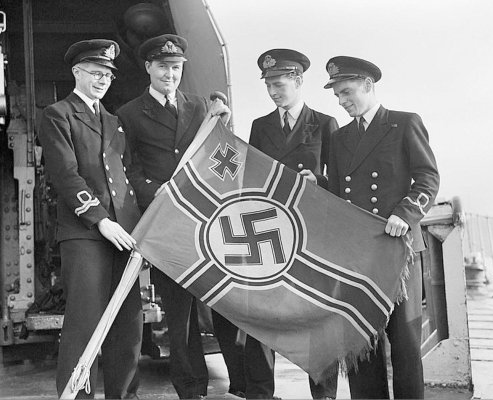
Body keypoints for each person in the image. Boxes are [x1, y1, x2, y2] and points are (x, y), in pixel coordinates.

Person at [116, 34, 230, 400]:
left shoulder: (200, 108)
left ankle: (246, 383)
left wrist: (223, 123)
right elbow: (127, 168)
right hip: (166, 221)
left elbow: (219, 156)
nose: (170, 73)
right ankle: (191, 388)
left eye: (176, 67)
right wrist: (157, 190)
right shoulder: (129, 113)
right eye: (163, 66)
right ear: (148, 67)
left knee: (223, 303)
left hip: (203, 222)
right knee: (179, 314)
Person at [321, 56, 440, 399]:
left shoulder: (403, 123)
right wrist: (317, 182)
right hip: (358, 256)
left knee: (404, 347)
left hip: (399, 251)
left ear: (368, 86)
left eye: (346, 92)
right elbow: (338, 193)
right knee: (362, 347)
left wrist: (406, 213)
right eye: (337, 96)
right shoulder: (339, 138)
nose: (342, 102)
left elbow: (427, 177)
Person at [38, 39, 142, 398]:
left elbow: (123, 177)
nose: (102, 80)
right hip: (86, 233)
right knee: (85, 323)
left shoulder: (113, 121)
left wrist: (137, 225)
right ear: (76, 73)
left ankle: (123, 394)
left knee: (128, 324)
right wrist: (101, 220)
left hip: (124, 235)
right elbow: (66, 175)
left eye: (107, 75)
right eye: (95, 73)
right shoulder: (57, 114)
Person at [246, 48, 340, 400]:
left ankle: (324, 393)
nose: (273, 91)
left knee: (316, 314)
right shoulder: (260, 127)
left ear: (298, 81)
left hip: (310, 232)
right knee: (260, 312)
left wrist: (318, 180)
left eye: (279, 83)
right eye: (268, 85)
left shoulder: (326, 124)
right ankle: (259, 393)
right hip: (268, 230)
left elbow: (339, 181)